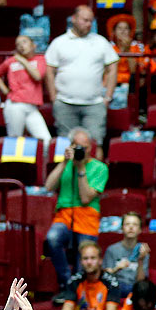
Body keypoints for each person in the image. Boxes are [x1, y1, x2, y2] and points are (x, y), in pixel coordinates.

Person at [43, 128, 108, 300]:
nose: (83, 151)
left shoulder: (100, 168)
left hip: (87, 216)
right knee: (52, 238)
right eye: (78, 147)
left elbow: (86, 197)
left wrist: (80, 169)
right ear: (71, 146)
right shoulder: (66, 165)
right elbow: (49, 186)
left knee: (85, 256)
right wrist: (64, 163)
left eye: (86, 147)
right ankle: (67, 283)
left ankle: (77, 293)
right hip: (64, 215)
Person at [45, 5, 118, 148]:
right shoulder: (59, 42)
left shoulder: (100, 42)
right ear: (74, 19)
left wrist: (108, 97)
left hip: (94, 104)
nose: (89, 24)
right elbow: (49, 71)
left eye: (91, 21)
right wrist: (54, 97)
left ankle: (96, 172)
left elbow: (113, 68)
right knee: (66, 147)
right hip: (65, 104)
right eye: (85, 20)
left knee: (95, 145)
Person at [0, 35, 51, 140]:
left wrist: (22, 60)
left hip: (32, 107)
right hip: (15, 105)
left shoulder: (40, 59)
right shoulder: (11, 61)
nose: (21, 46)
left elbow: (37, 76)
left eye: (24, 42)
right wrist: (5, 91)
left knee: (45, 139)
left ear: (33, 45)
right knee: (14, 139)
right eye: (18, 44)